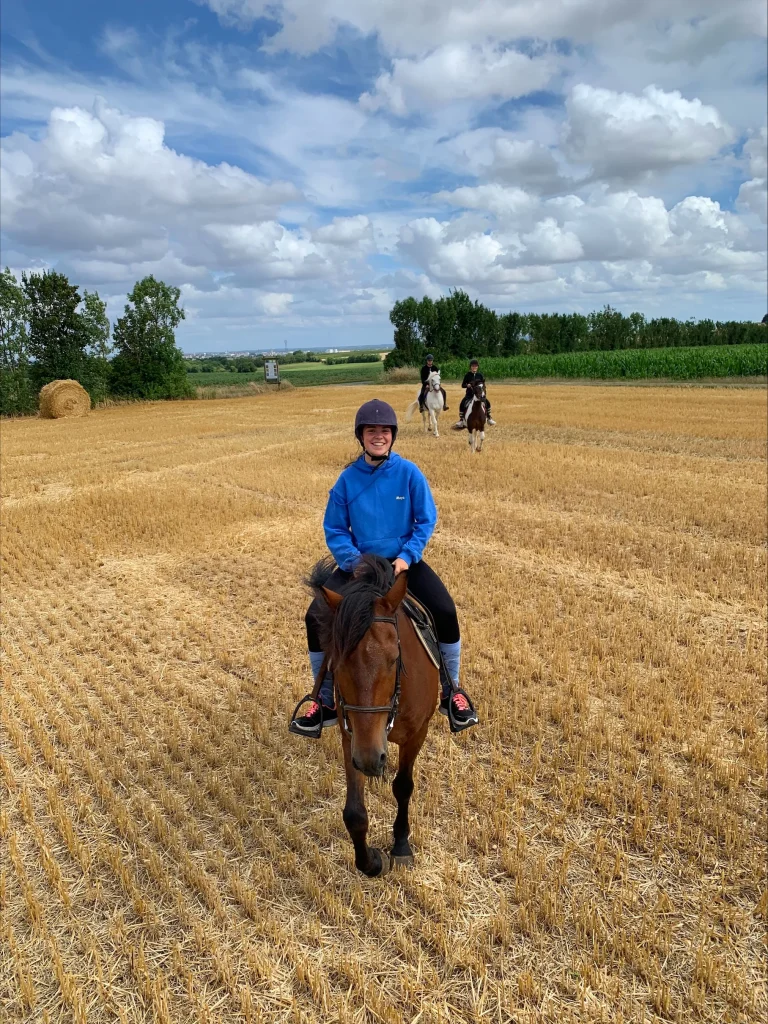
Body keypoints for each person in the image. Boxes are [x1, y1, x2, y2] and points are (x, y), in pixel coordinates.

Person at [290, 398, 478, 736]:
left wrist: (407, 557)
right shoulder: (347, 480)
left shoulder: (409, 473)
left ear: (392, 435)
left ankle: (452, 693)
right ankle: (325, 699)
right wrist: (354, 562)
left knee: (445, 611)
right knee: (314, 615)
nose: (379, 435)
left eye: (385, 430)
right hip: (359, 566)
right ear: (361, 436)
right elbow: (334, 528)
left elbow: (426, 520)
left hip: (402, 563)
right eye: (371, 430)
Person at [455, 359, 495, 428]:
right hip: (469, 394)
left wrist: (483, 393)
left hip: (478, 395)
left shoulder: (480, 375)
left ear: (477, 367)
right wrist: (467, 385)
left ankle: (489, 417)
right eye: (473, 366)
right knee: (462, 403)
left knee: (487, 402)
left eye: (475, 366)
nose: (474, 367)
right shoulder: (467, 375)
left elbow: (483, 385)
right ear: (470, 367)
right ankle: (461, 420)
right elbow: (462, 385)